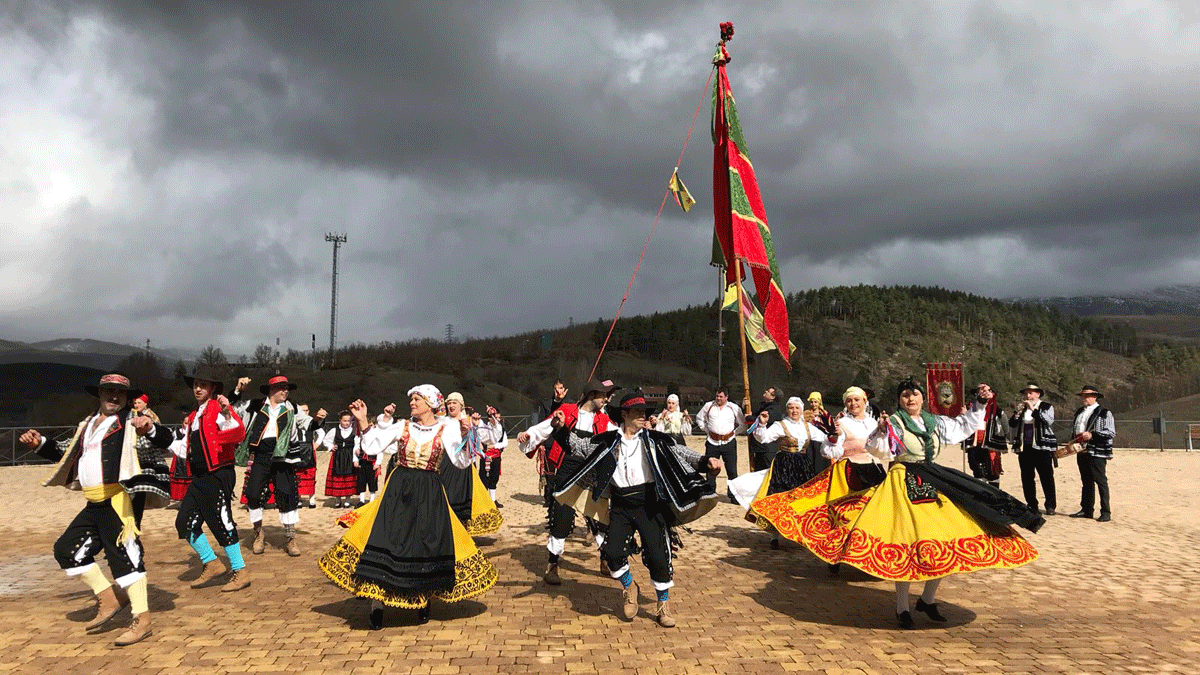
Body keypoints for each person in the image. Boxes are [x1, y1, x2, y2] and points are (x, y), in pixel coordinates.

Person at [756, 378, 1043, 628]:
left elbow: (962, 428)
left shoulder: (934, 422)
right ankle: (902, 607)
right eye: (905, 395)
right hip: (901, 477)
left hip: (931, 477)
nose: (910, 399)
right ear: (899, 400)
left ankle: (928, 600)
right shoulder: (891, 422)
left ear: (921, 398)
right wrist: (881, 431)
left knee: (946, 535)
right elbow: (877, 448)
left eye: (914, 394)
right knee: (903, 542)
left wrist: (980, 404)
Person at [318, 387, 497, 629]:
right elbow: (371, 447)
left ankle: (422, 599)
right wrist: (362, 420)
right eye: (411, 399)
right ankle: (377, 605)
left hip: (429, 491)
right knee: (389, 539)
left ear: (431, 403)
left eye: (417, 399)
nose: (411, 403)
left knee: (424, 544)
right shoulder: (403, 426)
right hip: (399, 489)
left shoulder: (447, 428)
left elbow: (462, 461)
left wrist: (467, 438)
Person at [21, 374, 175, 647]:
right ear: (100, 394)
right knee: (67, 550)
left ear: (127, 398)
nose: (113, 397)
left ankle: (143, 620)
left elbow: (165, 437)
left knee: (125, 556)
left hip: (119, 500)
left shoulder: (131, 421)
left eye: (119, 393)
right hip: (94, 503)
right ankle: (108, 596)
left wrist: (149, 428)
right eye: (108, 392)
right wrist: (40, 444)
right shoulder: (89, 423)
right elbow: (68, 453)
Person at [552, 392, 723, 627]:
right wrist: (561, 428)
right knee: (611, 554)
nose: (644, 416)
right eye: (637, 413)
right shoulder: (607, 440)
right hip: (620, 506)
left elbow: (681, 452)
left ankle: (663, 605)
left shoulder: (654, 439)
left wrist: (706, 463)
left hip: (649, 505)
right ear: (624, 415)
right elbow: (579, 447)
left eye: (645, 412)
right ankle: (629, 586)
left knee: (659, 556)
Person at [517, 380, 620, 584]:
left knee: (599, 516)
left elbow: (619, 437)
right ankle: (552, 564)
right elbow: (545, 427)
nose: (606, 399)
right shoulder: (567, 410)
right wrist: (528, 434)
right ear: (591, 394)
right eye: (603, 395)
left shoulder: (604, 420)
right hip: (567, 469)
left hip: (592, 471)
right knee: (561, 516)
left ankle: (605, 558)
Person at [173, 367, 250, 593]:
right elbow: (186, 447)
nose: (198, 388)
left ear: (213, 388)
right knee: (184, 522)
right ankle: (212, 563)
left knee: (220, 521)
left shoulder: (217, 407)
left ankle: (240, 570)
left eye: (203, 385)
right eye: (196, 384)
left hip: (218, 473)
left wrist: (227, 413)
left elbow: (238, 434)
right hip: (201, 476)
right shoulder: (195, 415)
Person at [729, 395, 828, 548]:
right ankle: (774, 535)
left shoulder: (808, 427)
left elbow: (826, 439)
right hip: (784, 465)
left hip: (803, 465)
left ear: (801, 410)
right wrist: (761, 425)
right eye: (790, 408)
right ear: (787, 410)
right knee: (780, 498)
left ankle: (800, 533)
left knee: (802, 499)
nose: (794, 411)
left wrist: (835, 432)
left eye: (796, 408)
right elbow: (764, 438)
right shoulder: (780, 425)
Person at [229, 375, 304, 557]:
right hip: (261, 454)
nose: (286, 391)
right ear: (271, 391)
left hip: (283, 455)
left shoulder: (292, 407)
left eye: (287, 388)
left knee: (286, 493)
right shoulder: (255, 406)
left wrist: (318, 420)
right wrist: (238, 390)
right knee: (253, 493)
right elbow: (233, 408)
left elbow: (307, 423)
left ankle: (290, 537)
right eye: (281, 388)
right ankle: (258, 533)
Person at [1068, 386, 1116, 522]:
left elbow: (1110, 432)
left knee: (1101, 481)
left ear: (1095, 397)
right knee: (1086, 481)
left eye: (1087, 396)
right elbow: (1076, 429)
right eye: (1083, 396)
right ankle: (1087, 510)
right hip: (1081, 449)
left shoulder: (1104, 412)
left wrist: (1092, 435)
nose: (1084, 398)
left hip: (1097, 450)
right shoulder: (1079, 412)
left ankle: (1106, 512)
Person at [1009, 384, 1058, 515]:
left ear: (1038, 394)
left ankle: (1050, 505)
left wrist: (1033, 410)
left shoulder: (1047, 407)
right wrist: (1017, 413)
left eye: (1030, 393)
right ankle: (1032, 505)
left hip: (1041, 447)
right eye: (1026, 393)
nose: (1027, 396)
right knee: (1027, 478)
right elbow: (1012, 424)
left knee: (1046, 477)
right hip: (1025, 447)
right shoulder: (1022, 408)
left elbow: (1048, 421)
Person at [695, 387, 744, 502]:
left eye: (721, 396)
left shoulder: (734, 407)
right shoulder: (709, 406)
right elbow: (699, 418)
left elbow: (742, 424)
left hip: (729, 443)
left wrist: (733, 434)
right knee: (710, 469)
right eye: (717, 396)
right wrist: (707, 430)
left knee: (732, 470)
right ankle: (710, 493)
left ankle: (733, 496)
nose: (719, 398)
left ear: (726, 397)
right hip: (712, 442)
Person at [965, 384, 1007, 489]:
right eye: (982, 390)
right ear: (977, 393)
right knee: (977, 470)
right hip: (974, 443)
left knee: (992, 470)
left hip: (990, 444)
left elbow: (1005, 427)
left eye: (988, 390)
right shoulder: (969, 408)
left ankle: (995, 494)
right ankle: (981, 495)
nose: (985, 392)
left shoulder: (997, 410)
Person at [292, 404, 327, 508]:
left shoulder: (311, 421)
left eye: (307, 410)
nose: (305, 412)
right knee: (297, 475)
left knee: (310, 475)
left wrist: (316, 444)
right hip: (297, 449)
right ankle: (298, 499)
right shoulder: (294, 421)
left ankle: (312, 500)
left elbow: (321, 433)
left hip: (308, 450)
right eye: (303, 410)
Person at [323, 411, 360, 508]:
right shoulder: (334, 430)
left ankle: (348, 500)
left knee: (349, 477)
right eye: (345, 421)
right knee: (337, 476)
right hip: (338, 456)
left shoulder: (353, 431)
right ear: (340, 420)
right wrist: (331, 446)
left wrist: (356, 457)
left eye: (349, 421)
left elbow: (356, 445)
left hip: (349, 456)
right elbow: (326, 440)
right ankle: (338, 500)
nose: (347, 423)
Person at [747, 386, 783, 472]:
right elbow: (754, 415)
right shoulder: (763, 406)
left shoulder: (774, 409)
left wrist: (749, 418)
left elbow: (760, 419)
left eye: (768, 391)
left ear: (773, 397)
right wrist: (746, 405)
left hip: (767, 448)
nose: (765, 391)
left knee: (767, 472)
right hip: (759, 447)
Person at [476, 405, 506, 507]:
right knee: (483, 478)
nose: (494, 418)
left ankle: (492, 500)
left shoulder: (500, 428)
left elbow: (504, 442)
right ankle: (484, 500)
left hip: (496, 456)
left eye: (496, 416)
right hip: (485, 456)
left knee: (494, 478)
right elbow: (480, 437)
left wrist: (495, 445)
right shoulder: (484, 427)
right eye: (492, 416)